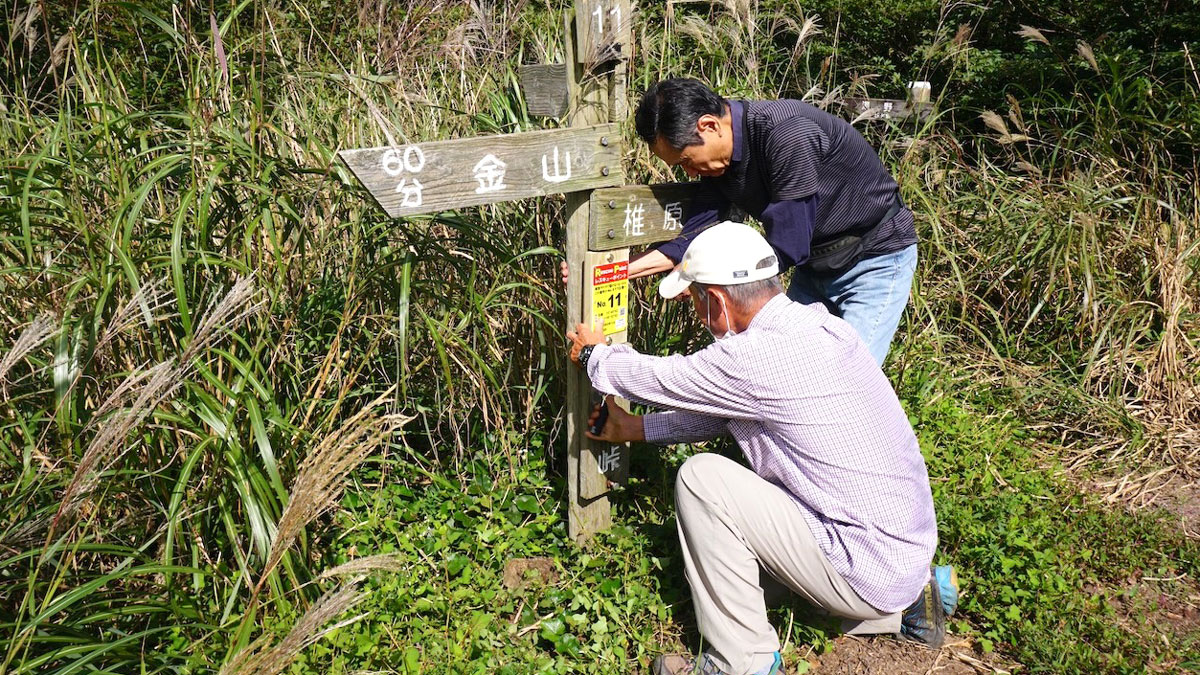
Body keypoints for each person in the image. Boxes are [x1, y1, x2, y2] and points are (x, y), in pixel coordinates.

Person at [565, 222, 955, 675]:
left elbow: (663, 380)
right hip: (901, 548)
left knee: (703, 479)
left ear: (717, 300)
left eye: (694, 301)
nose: (695, 313)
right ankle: (914, 598)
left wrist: (596, 357)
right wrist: (636, 429)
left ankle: (741, 662)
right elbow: (728, 410)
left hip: (863, 560)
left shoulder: (751, 358)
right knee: (757, 577)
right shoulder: (820, 326)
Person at [630, 77, 918, 366]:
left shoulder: (785, 134)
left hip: (872, 259)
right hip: (813, 266)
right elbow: (698, 231)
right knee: (783, 368)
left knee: (850, 375)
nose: (690, 173)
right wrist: (623, 270)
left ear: (709, 126)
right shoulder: (719, 162)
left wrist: (703, 275)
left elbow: (789, 242)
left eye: (686, 161)